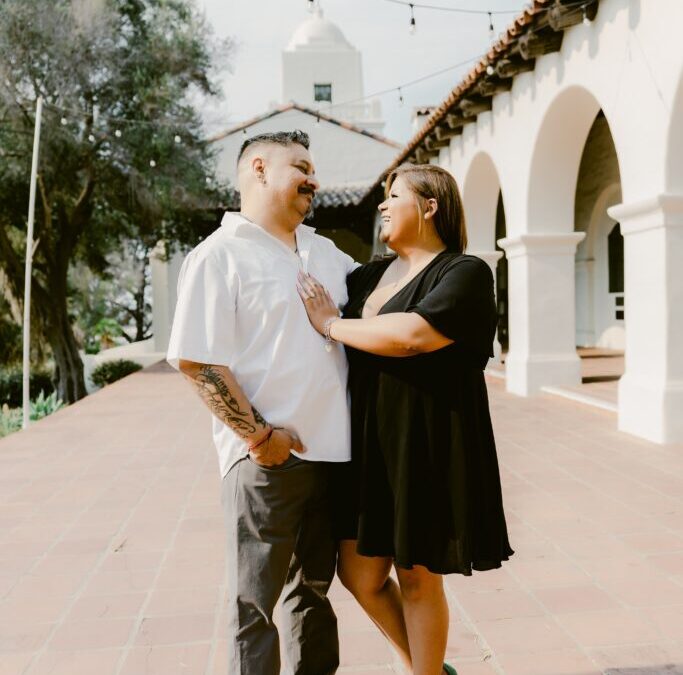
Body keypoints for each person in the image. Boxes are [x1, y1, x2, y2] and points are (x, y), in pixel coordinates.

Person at [297, 163, 514, 675]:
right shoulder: (367, 275)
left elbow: (413, 336)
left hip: (427, 441)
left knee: (417, 577)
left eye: (395, 195)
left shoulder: (464, 272)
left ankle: (423, 672)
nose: (382, 204)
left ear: (430, 206)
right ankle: (432, 670)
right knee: (359, 574)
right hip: (368, 443)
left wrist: (330, 324)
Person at [167, 130, 357, 675]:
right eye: (300, 166)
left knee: (313, 598)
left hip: (331, 457)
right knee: (253, 607)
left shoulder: (326, 252)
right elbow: (198, 361)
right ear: (258, 169)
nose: (313, 179)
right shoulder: (219, 256)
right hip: (265, 463)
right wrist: (259, 438)